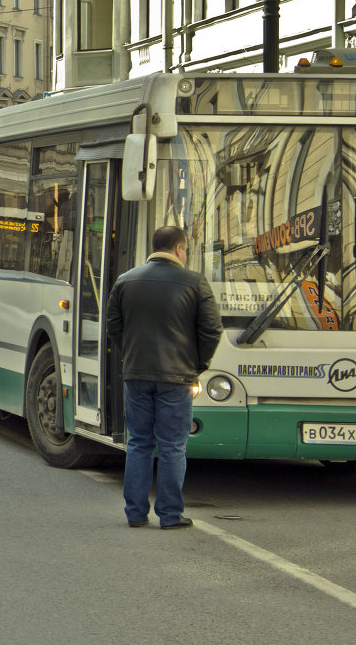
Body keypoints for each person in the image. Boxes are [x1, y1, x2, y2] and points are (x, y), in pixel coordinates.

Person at [105, 225, 222, 531]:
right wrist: (198, 364)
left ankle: (135, 513)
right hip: (177, 377)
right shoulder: (194, 282)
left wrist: (132, 355)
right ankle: (170, 515)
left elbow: (113, 327)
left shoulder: (125, 280)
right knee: (172, 446)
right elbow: (211, 330)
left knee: (139, 443)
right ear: (180, 249)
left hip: (136, 374)